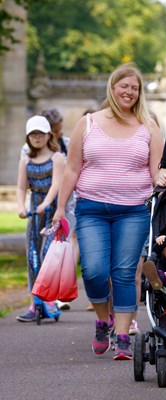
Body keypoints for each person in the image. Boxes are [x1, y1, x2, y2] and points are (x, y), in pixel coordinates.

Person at [52, 63, 163, 360]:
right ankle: (104, 320)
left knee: (125, 273)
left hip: (133, 211)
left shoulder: (147, 126)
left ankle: (124, 337)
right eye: (124, 86)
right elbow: (72, 168)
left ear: (140, 93)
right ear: (112, 88)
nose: (129, 92)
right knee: (94, 270)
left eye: (135, 88)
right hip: (91, 209)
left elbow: (157, 172)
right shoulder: (87, 123)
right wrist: (61, 208)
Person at [16, 116, 65, 322]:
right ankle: (34, 301)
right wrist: (21, 206)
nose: (37, 138)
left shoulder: (57, 157)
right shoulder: (25, 159)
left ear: (48, 135)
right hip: (34, 214)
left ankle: (50, 299)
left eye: (40, 134)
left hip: (51, 213)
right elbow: (20, 187)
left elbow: (56, 184)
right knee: (32, 257)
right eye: (33, 134)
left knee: (47, 256)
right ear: (28, 137)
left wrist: (47, 203)